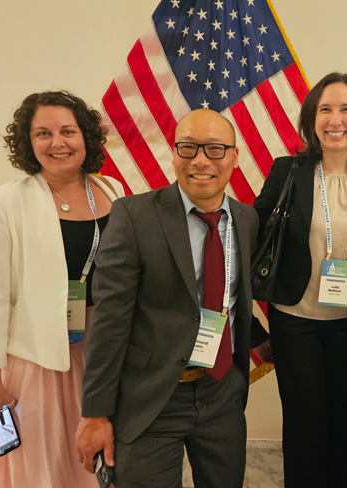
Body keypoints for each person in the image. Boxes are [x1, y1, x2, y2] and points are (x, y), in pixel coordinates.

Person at [75, 109, 271, 488]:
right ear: (174, 154)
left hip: (222, 393)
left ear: (233, 157)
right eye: (188, 147)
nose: (200, 160)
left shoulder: (246, 220)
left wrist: (264, 341)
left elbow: (228, 296)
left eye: (215, 149)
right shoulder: (134, 215)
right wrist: (96, 412)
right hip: (151, 397)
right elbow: (110, 319)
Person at [0, 91, 125, 487]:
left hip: (104, 359)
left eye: (68, 131)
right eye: (43, 133)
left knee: (96, 471)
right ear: (27, 142)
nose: (57, 142)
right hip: (37, 366)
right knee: (40, 473)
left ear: (85, 137)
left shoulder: (114, 193)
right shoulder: (6, 202)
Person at [252, 72, 347, 488]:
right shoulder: (288, 171)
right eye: (326, 109)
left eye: (346, 109)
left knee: (340, 415)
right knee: (303, 420)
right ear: (312, 119)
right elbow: (253, 234)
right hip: (294, 317)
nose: (335, 119)